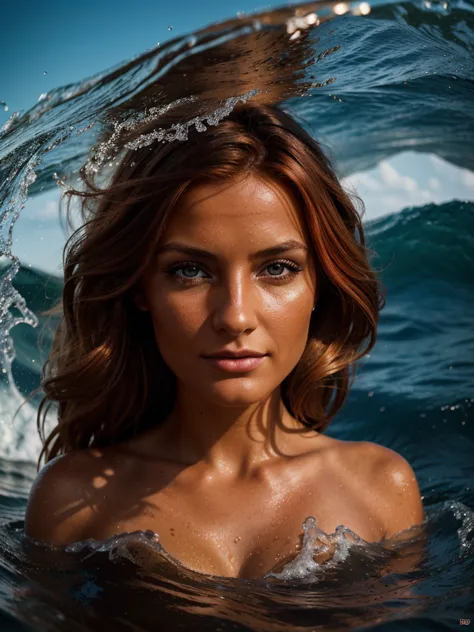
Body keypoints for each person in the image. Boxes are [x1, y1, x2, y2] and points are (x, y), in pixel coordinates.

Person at [23, 102, 424, 579]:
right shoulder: (70, 498)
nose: (235, 316)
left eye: (277, 268)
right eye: (189, 271)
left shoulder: (382, 486)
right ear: (140, 289)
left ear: (320, 285)